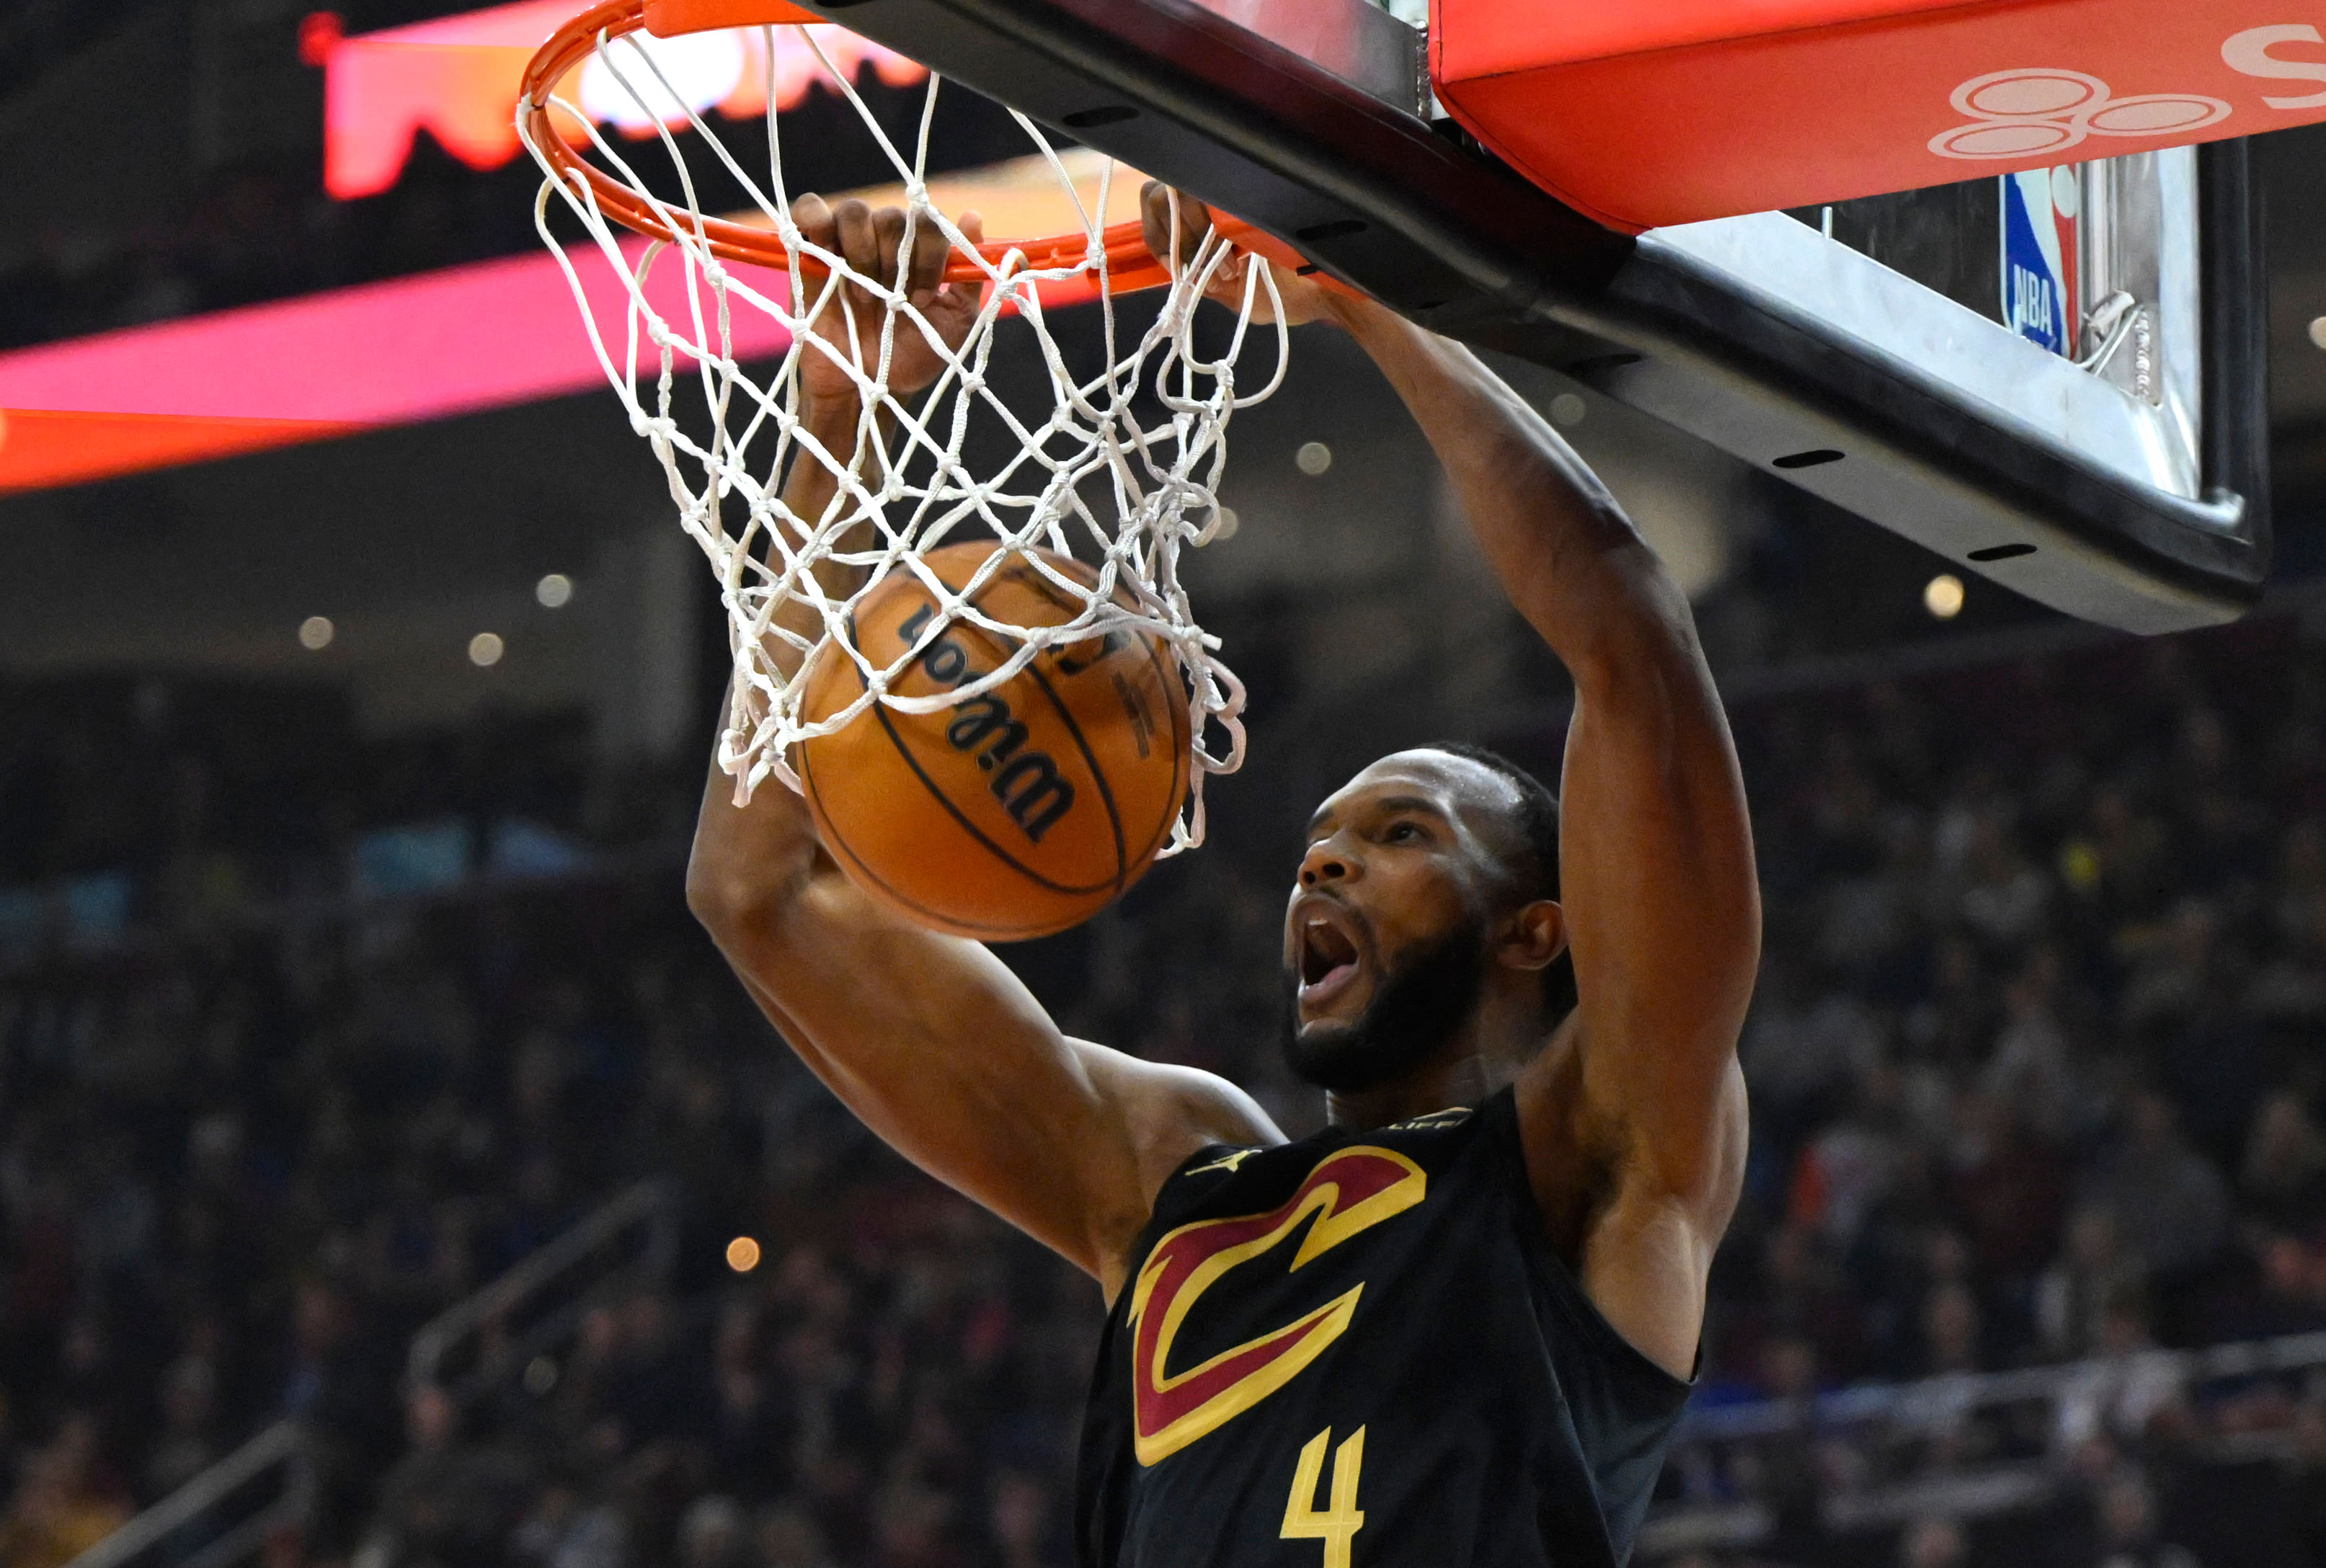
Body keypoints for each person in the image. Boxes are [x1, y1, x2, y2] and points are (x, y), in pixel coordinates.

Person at [687, 185, 1759, 1567]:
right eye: (1326, 835)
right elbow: (763, 898)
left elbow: (1626, 635)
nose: (1326, 856)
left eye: (1405, 835)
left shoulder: (1604, 1156)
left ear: (1538, 931)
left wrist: (1362, 291)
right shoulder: (1179, 1183)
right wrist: (838, 419)